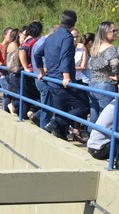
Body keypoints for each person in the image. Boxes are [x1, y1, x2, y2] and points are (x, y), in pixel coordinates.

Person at [36, 11, 89, 139]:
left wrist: (41, 72)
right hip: (62, 82)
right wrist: (66, 77)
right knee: (84, 106)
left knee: (61, 110)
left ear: (61, 20)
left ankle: (60, 132)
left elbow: (37, 53)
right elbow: (65, 57)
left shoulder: (51, 37)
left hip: (52, 81)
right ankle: (55, 122)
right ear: (74, 22)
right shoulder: (67, 37)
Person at [89, 21, 119, 122]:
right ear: (105, 33)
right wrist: (117, 75)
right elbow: (115, 63)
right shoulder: (110, 48)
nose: (116, 32)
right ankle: (105, 137)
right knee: (106, 116)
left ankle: (92, 135)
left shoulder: (95, 47)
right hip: (106, 84)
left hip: (93, 84)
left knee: (94, 114)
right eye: (113, 31)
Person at [18, 21, 42, 119]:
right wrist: (26, 67)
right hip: (32, 71)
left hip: (31, 71)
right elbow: (22, 50)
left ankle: (26, 113)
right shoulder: (32, 41)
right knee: (35, 95)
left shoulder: (29, 40)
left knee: (28, 96)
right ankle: (30, 113)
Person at [0, 27, 18, 111]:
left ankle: (4, 109)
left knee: (7, 93)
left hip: (9, 73)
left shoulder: (11, 45)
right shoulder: (0, 47)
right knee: (8, 93)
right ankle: (5, 109)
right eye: (10, 35)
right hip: (2, 74)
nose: (11, 36)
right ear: (4, 35)